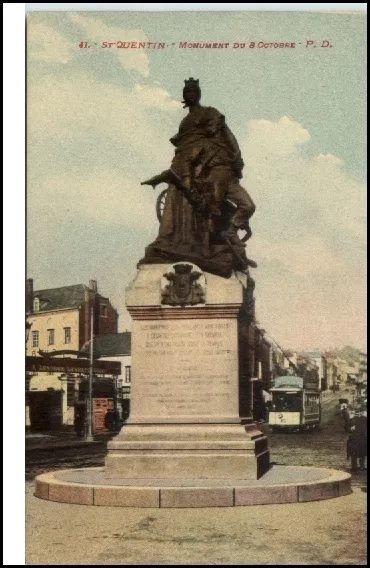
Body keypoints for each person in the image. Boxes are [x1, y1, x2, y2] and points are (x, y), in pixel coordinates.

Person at [141, 78, 256, 275]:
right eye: (187, 92)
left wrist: (237, 158)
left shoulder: (210, 114)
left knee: (248, 205)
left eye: (193, 91)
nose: (190, 95)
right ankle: (212, 246)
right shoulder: (188, 127)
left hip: (227, 173)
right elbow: (185, 153)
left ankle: (230, 232)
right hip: (210, 173)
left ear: (198, 94)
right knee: (211, 211)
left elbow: (228, 134)